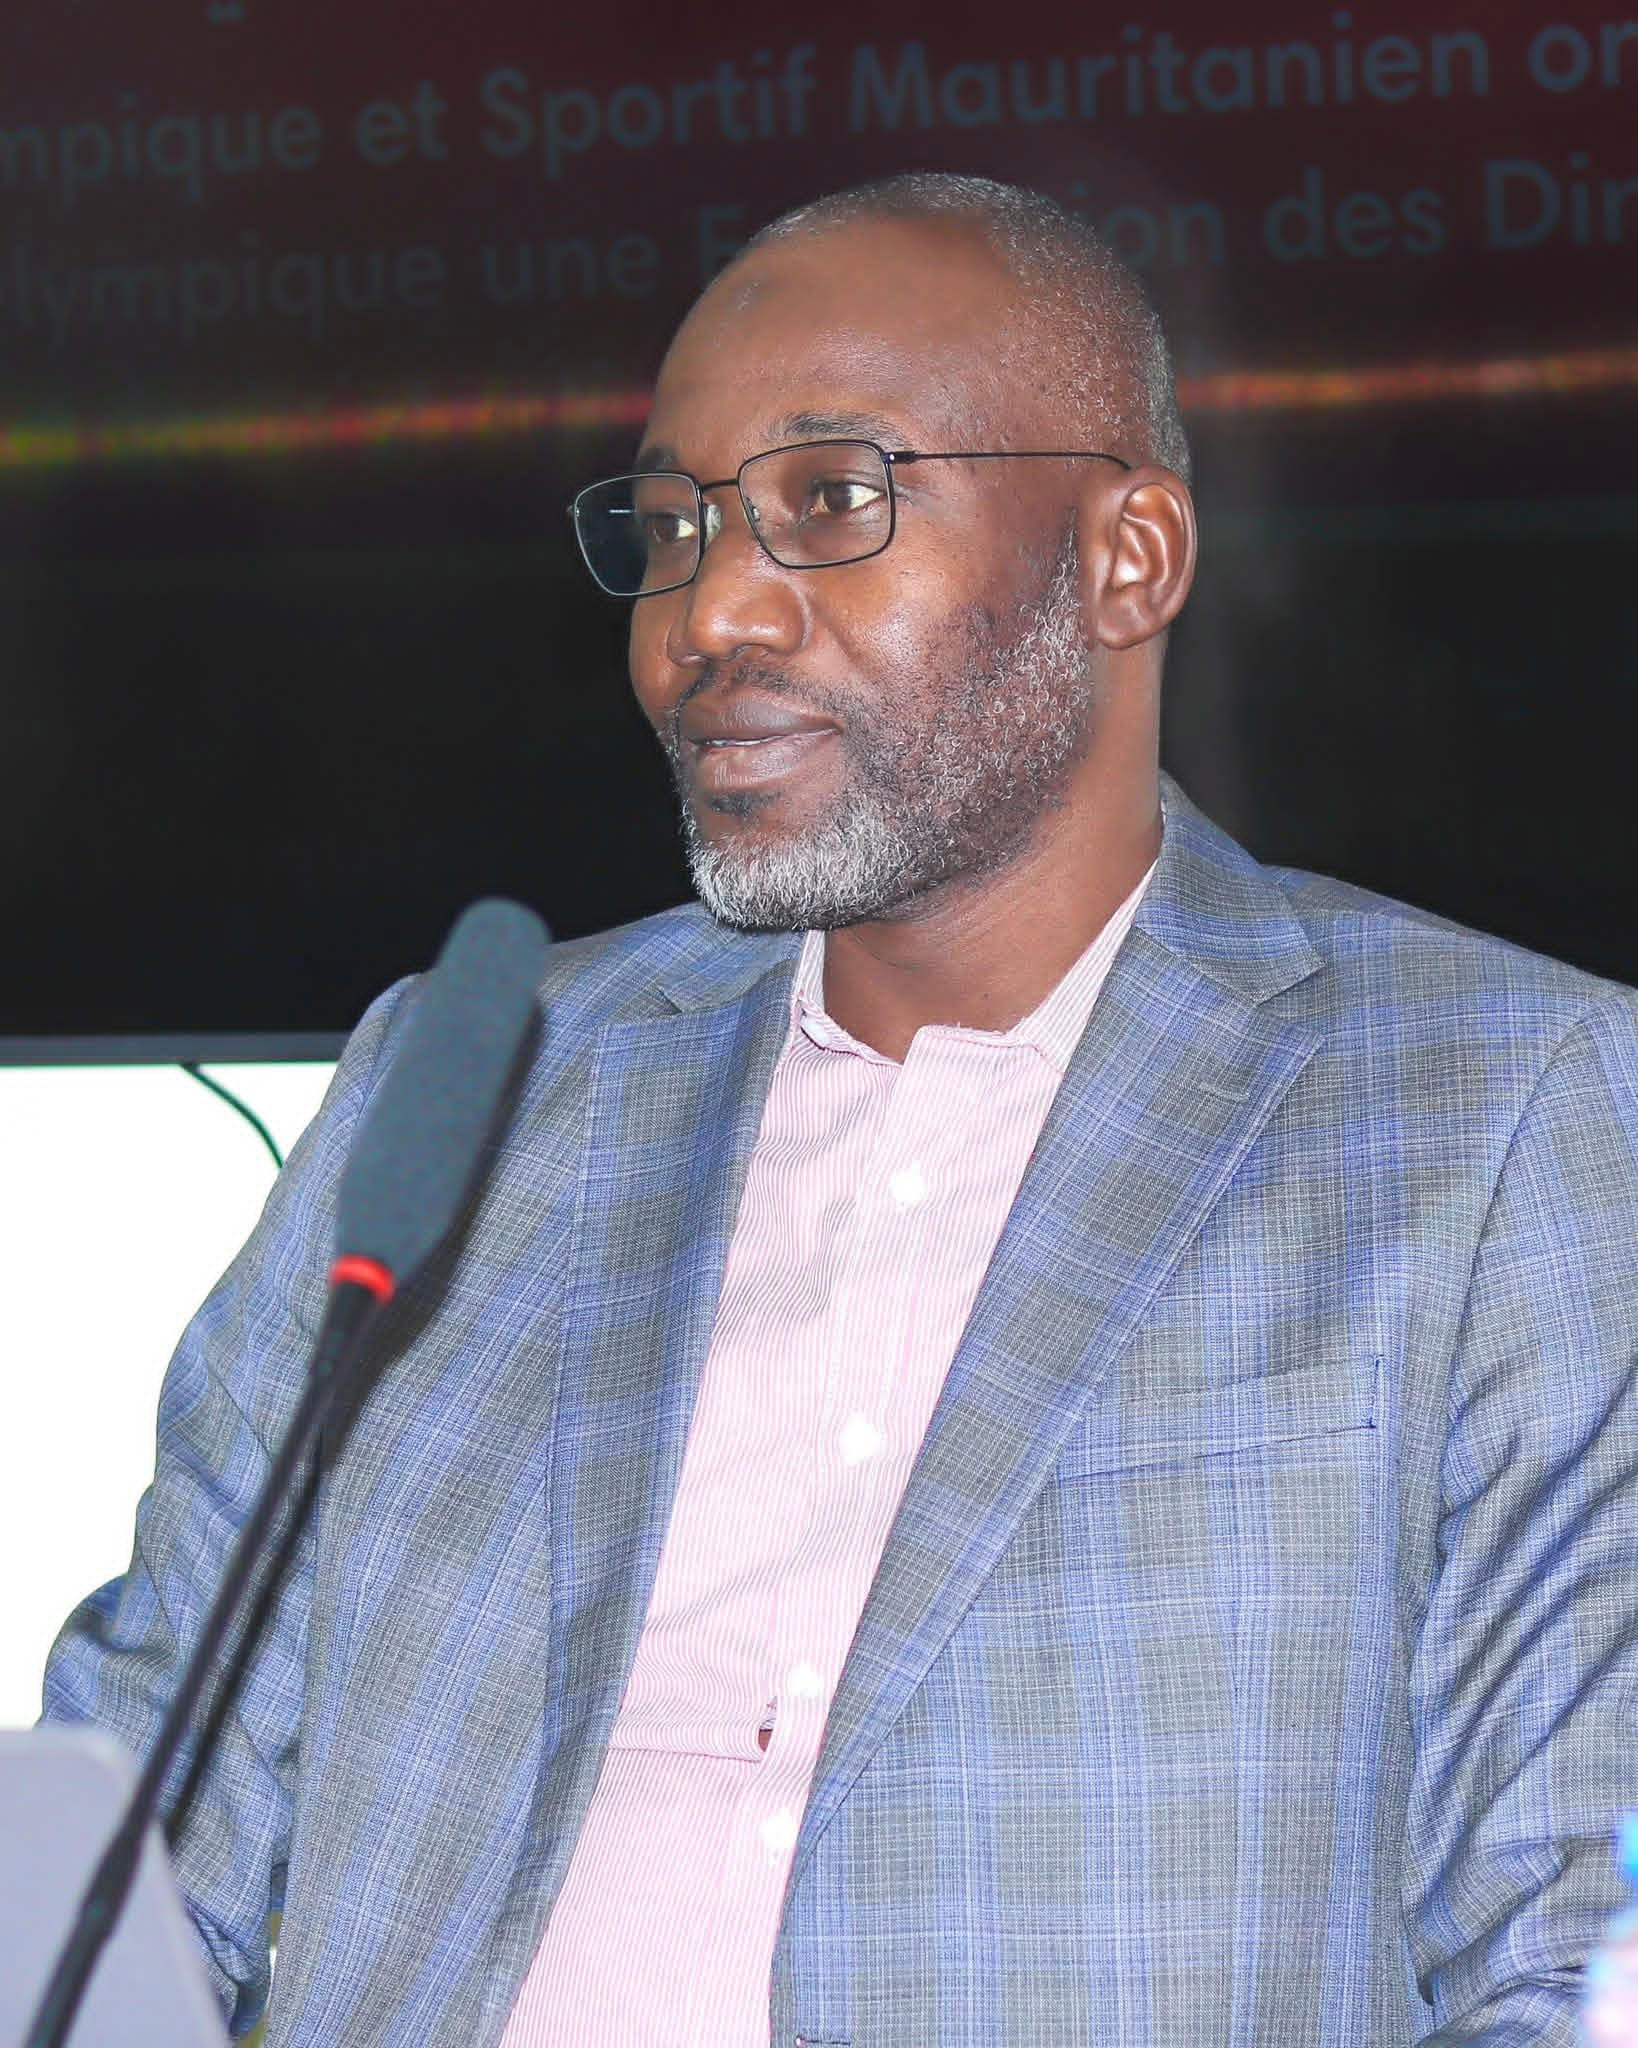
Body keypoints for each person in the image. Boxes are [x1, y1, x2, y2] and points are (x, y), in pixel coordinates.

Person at [43, 174, 1638, 2047]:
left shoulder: (1502, 1113)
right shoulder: (472, 1079)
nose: (706, 615)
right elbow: (135, 1817)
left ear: (1125, 558)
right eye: (670, 528)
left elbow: (1568, 1956)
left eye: (831, 500)